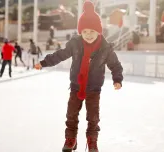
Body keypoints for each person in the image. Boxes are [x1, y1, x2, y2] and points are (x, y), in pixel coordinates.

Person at [34, 1, 123, 152]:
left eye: (92, 32)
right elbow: (60, 55)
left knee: (93, 118)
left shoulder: (105, 48)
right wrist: (44, 62)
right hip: (76, 86)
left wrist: (117, 79)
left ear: (99, 32)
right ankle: (71, 139)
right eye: (85, 32)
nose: (88, 35)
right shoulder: (75, 44)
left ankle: (92, 141)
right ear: (80, 31)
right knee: (71, 115)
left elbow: (115, 65)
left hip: (94, 89)